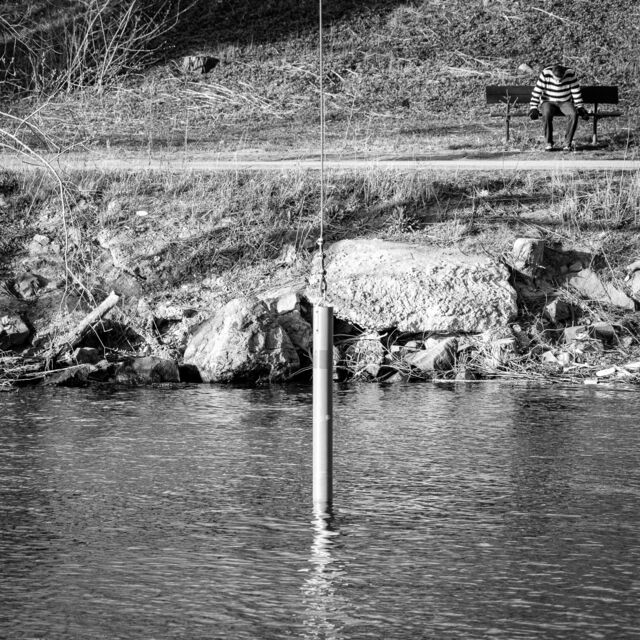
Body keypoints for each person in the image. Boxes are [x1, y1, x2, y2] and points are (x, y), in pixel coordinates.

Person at [528, 64, 589, 151]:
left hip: (565, 101)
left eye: (561, 79)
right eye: (556, 79)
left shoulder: (570, 74)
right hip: (548, 101)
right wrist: (533, 107)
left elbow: (576, 91)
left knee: (573, 114)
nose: (559, 81)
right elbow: (537, 91)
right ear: (552, 74)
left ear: (564, 74)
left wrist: (580, 107)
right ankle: (548, 143)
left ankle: (567, 144)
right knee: (546, 114)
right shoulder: (545, 73)